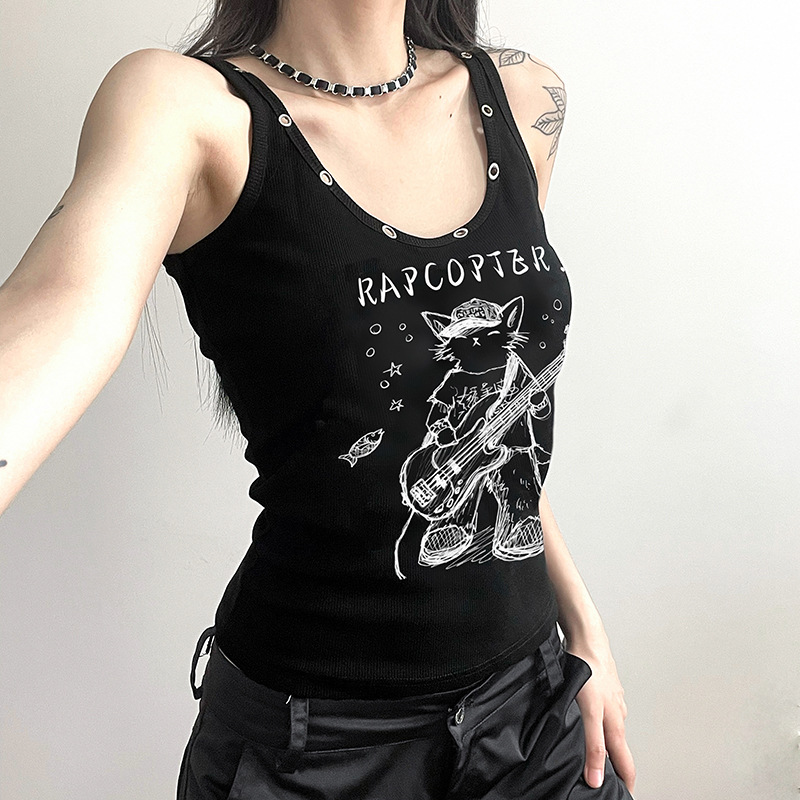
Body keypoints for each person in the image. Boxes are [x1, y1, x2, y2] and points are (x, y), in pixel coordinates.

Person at [0, 1, 637, 797]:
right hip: (313, 749)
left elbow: (502, 436)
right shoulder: (189, 111)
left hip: (534, 713)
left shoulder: (520, 98)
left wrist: (586, 629)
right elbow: (59, 311)